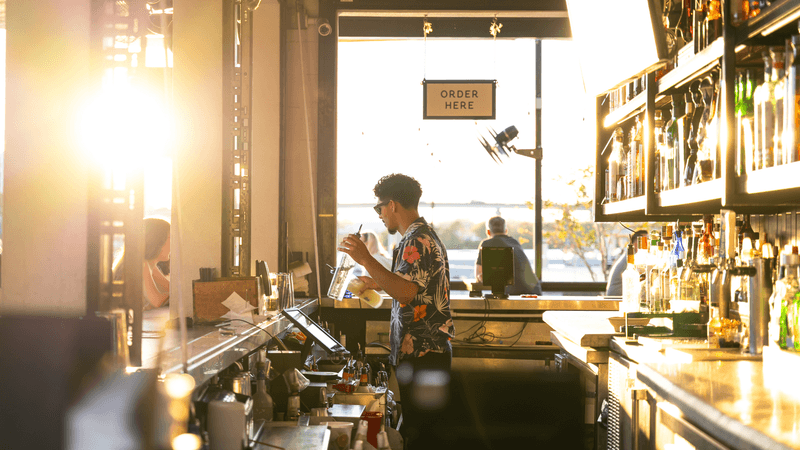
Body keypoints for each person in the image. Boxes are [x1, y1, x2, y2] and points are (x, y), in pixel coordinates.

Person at [338, 173, 454, 449]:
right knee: (422, 432)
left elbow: (406, 292)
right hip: (423, 352)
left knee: (423, 437)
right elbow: (410, 284)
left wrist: (365, 259)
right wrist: (375, 282)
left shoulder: (416, 240)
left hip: (423, 352)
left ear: (392, 205)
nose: (378, 214)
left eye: (379, 207)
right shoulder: (418, 236)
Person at [474, 216, 542, 295]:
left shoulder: (486, 244)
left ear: (488, 232)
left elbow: (479, 276)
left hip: (513, 295)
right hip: (535, 292)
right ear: (506, 231)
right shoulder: (515, 242)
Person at [605, 229, 648, 297]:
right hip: (617, 298)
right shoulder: (632, 257)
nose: (648, 244)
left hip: (622, 296)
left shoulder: (631, 255)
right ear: (637, 243)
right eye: (646, 241)